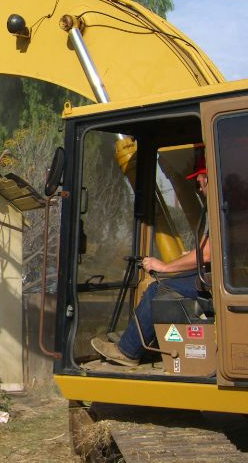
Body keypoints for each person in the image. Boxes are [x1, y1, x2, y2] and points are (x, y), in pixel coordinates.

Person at [91, 156, 210, 366]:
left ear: (208, 179)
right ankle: (147, 340)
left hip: (217, 281)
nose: (199, 189)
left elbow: (207, 254)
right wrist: (186, 257)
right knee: (173, 281)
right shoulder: (228, 207)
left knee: (158, 289)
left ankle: (128, 351)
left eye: (199, 183)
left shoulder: (219, 208)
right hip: (222, 275)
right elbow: (207, 251)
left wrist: (164, 266)